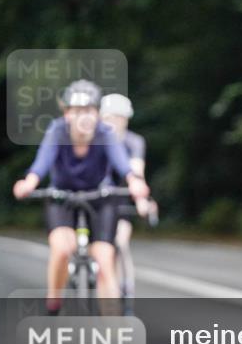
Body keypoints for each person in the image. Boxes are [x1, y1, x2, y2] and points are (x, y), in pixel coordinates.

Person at [12, 80, 150, 314]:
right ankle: (54, 299)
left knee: (106, 261)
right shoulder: (57, 130)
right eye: (77, 111)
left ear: (97, 114)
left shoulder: (105, 133)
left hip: (99, 197)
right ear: (67, 114)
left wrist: (134, 182)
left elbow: (122, 162)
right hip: (61, 197)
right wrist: (29, 182)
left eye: (88, 111)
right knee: (62, 249)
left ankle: (114, 331)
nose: (83, 117)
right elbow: (42, 162)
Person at [100, 93, 155, 313]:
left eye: (117, 117)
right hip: (95, 196)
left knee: (120, 243)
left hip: (121, 196)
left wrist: (141, 199)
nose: (113, 122)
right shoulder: (95, 140)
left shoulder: (133, 142)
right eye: (108, 117)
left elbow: (137, 172)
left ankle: (126, 291)